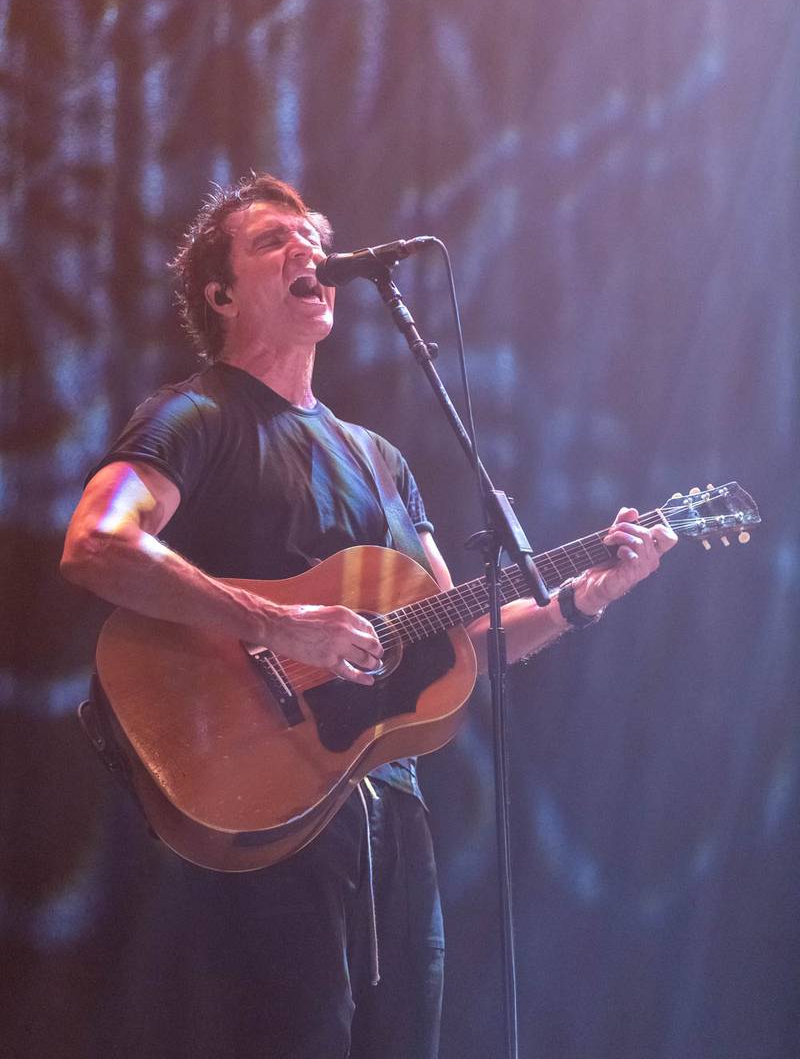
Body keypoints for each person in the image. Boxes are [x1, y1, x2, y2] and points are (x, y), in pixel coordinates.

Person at [61, 173, 677, 1059]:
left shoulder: (381, 462)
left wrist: (586, 599)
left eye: (311, 233)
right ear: (221, 292)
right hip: (260, 800)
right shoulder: (193, 416)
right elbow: (96, 542)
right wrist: (276, 626)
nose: (307, 247)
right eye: (274, 239)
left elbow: (459, 642)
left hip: (390, 807)